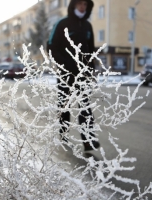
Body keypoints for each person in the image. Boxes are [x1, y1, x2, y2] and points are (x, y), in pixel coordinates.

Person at [48, 0, 99, 151]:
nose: (82, 7)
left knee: (85, 107)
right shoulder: (62, 24)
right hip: (65, 73)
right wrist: (64, 65)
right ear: (73, 5)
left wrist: (91, 69)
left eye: (85, 4)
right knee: (65, 105)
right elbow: (51, 46)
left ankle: (88, 140)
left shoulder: (88, 26)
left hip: (83, 74)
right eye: (79, 4)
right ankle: (63, 135)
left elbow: (90, 50)